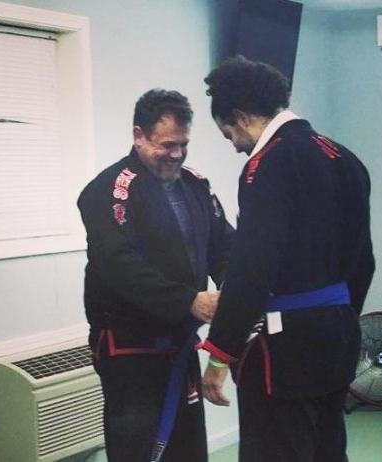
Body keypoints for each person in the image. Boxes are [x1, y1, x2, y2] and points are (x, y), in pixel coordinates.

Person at [199, 56, 375, 461]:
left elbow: (252, 267)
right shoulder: (344, 158)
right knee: (327, 450)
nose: (235, 146)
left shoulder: (267, 165)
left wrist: (220, 353)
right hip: (339, 336)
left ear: (242, 118)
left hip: (286, 350)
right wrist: (340, 317)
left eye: (229, 134)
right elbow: (364, 260)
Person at [77, 89, 235, 462]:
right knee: (139, 449)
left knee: (187, 449)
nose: (176, 154)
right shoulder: (109, 190)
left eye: (183, 144)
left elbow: (225, 247)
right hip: (130, 349)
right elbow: (119, 265)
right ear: (139, 135)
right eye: (167, 145)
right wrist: (188, 301)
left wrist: (232, 290)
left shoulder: (196, 185)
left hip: (180, 342)